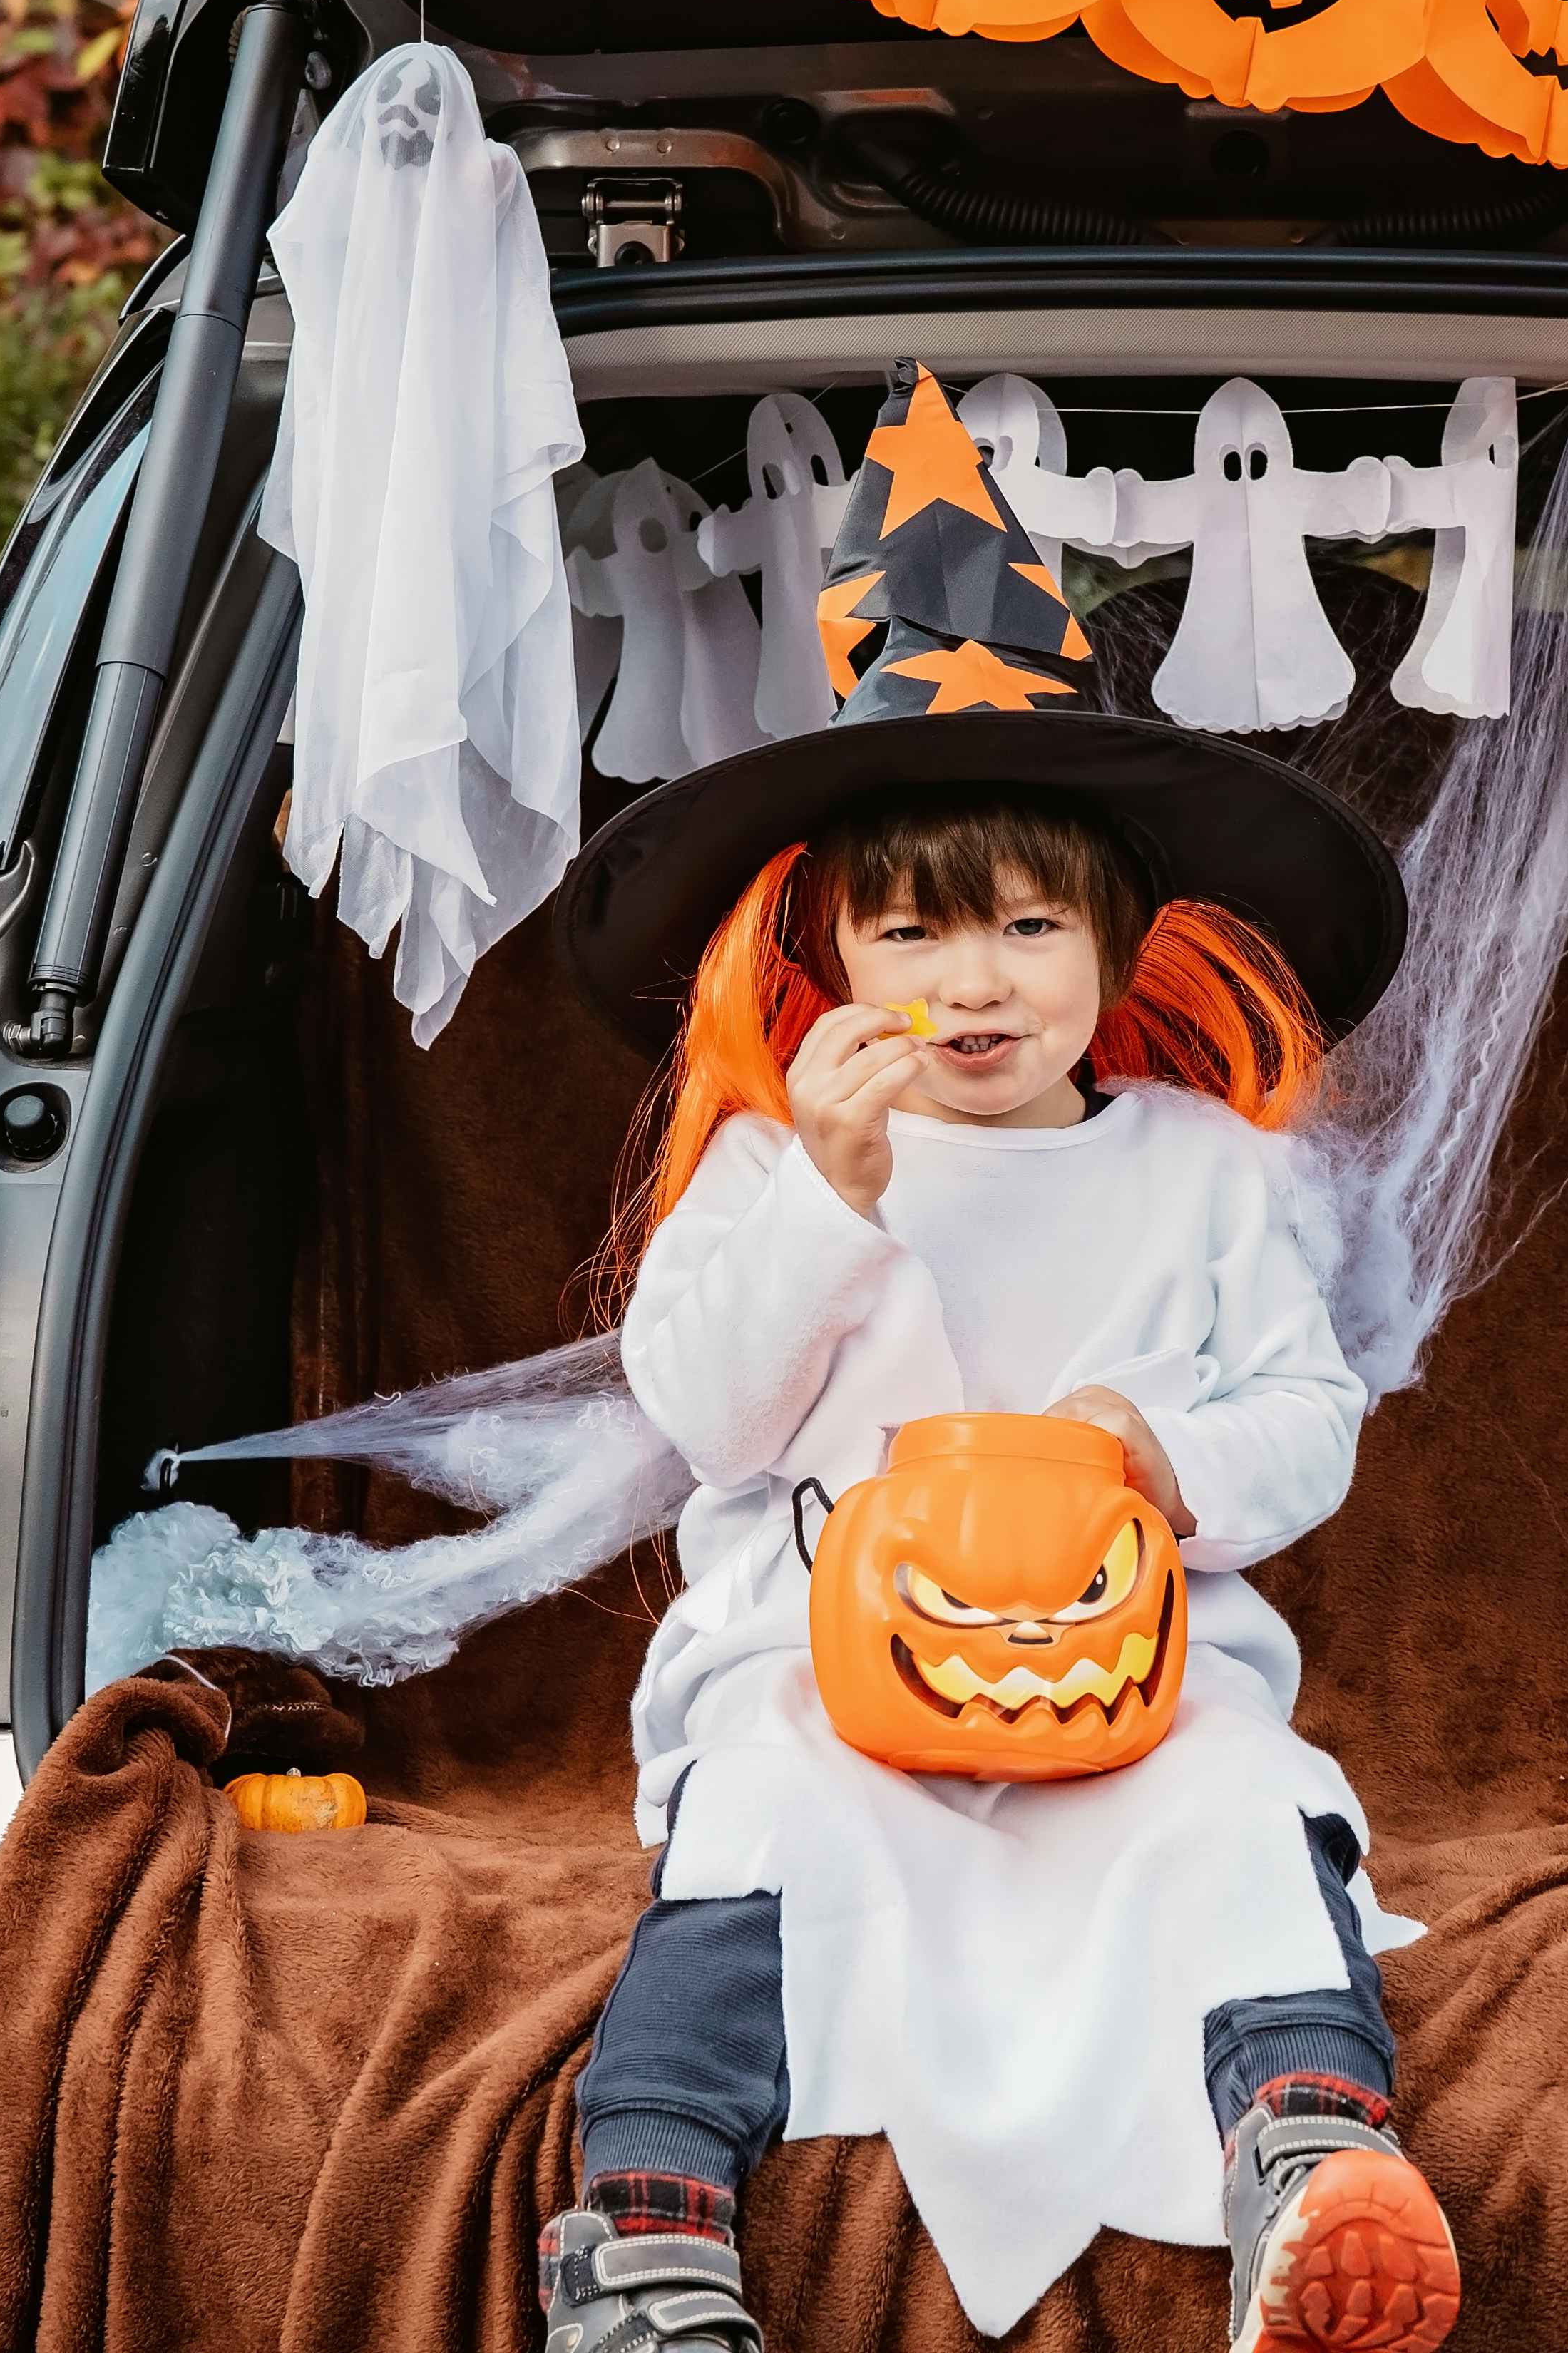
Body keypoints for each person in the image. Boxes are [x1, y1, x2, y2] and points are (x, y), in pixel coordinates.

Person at [537, 371, 1449, 2353]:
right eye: (917, 938)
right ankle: (652, 2216)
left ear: (1119, 955)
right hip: (823, 1666)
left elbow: (1313, 1418)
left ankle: (1311, 2145)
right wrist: (831, 1202)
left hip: (1130, 1675)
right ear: (831, 965)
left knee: (1238, 1800)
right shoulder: (784, 1164)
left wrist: (1163, 1445)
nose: (976, 983)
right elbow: (700, 1413)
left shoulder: (1208, 1174)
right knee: (760, 1824)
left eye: (1031, 927)